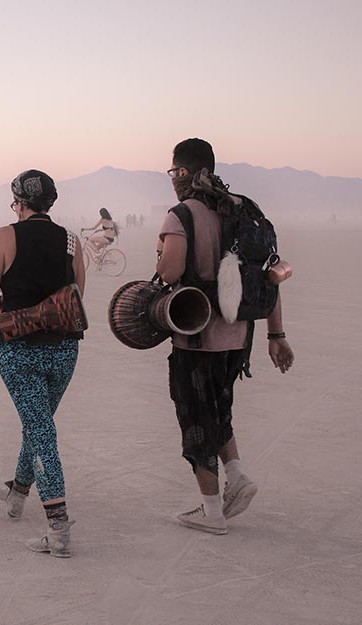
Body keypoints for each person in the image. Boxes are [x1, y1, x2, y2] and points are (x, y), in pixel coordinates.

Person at [157, 138, 294, 534]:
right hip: (239, 337)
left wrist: (161, 249)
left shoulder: (183, 214)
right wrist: (276, 334)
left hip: (196, 336)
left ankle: (212, 512)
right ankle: (236, 476)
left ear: (183, 171)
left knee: (196, 420)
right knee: (219, 409)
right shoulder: (244, 209)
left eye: (173, 172)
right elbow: (268, 276)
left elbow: (168, 272)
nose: (172, 179)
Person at [0, 170, 86, 558]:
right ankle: (18, 492)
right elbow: (75, 296)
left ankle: (58, 527)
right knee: (39, 425)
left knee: (40, 430)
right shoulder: (72, 241)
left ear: (20, 203)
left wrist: (15, 303)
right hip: (64, 350)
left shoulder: (4, 236)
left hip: (19, 350)